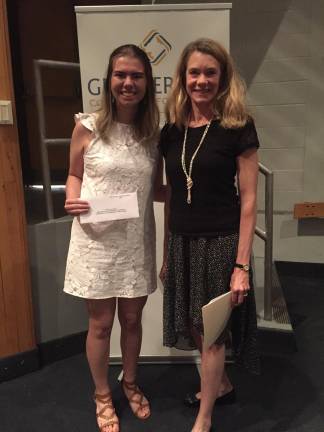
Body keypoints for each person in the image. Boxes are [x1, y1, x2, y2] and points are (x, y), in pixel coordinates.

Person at [159, 38, 260, 432]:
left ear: (223, 78)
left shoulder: (238, 127)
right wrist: (167, 251)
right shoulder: (170, 132)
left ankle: (204, 420)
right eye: (194, 72)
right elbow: (170, 196)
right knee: (193, 324)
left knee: (213, 333)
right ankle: (222, 386)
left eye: (210, 73)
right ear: (183, 79)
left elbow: (249, 202)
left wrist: (241, 265)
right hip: (182, 242)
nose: (201, 80)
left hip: (220, 244)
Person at [64, 44, 163, 432]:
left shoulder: (153, 135)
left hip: (136, 242)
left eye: (136, 76)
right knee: (102, 325)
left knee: (134, 320)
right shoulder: (87, 127)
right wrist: (72, 196)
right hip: (96, 242)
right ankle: (103, 395)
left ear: (146, 83)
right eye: (121, 75)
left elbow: (153, 189)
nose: (128, 83)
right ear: (109, 80)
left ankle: (132, 382)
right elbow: (73, 174)